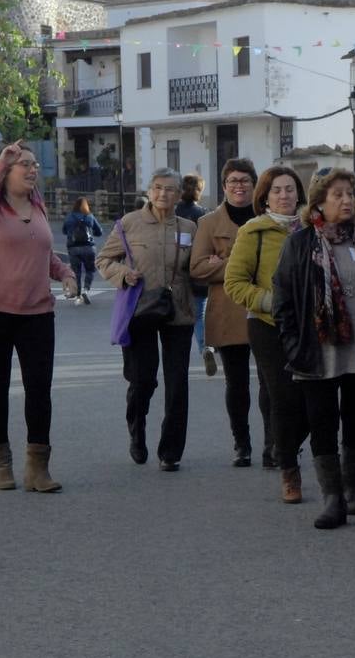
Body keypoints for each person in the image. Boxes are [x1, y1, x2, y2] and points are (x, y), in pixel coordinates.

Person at [272, 169, 355, 529]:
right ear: (318, 203)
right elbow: (282, 299)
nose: (346, 201)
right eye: (337, 195)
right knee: (322, 421)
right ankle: (332, 498)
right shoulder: (300, 243)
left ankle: (351, 489)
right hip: (319, 351)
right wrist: (292, 345)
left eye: (350, 194)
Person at [0, 140, 78, 492]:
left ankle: (37, 468)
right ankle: (1, 461)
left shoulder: (39, 207)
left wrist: (66, 273)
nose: (31, 170)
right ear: (7, 172)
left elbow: (43, 254)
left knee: (39, 391)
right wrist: (1, 159)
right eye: (23, 165)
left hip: (38, 314)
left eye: (33, 164)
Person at [96, 167, 198, 471]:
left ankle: (170, 451)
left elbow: (198, 268)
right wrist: (122, 274)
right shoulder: (130, 223)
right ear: (149, 191)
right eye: (157, 187)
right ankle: (137, 429)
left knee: (177, 384)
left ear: (179, 195)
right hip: (140, 310)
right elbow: (104, 259)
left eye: (169, 189)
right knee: (143, 381)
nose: (163, 193)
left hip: (179, 311)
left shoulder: (190, 228)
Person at [225, 165, 311, 503]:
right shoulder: (254, 231)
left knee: (312, 400)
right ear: (265, 196)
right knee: (283, 397)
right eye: (277, 190)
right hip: (267, 325)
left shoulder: (313, 229)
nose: (284, 196)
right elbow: (235, 283)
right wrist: (270, 302)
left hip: (309, 326)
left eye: (290, 189)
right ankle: (289, 471)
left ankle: (285, 445)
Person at [190, 158, 273, 468]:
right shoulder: (209, 223)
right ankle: (242, 444)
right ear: (224, 186)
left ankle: (273, 445)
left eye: (245, 181)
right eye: (233, 181)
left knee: (271, 382)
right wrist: (242, 267)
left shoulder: (269, 218)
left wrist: (220, 262)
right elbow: (197, 268)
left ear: (255, 186)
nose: (239, 186)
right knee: (237, 384)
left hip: (266, 309)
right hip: (227, 311)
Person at [176, 174, 214, 374]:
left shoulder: (173, 213)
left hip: (177, 272)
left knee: (178, 317)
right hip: (199, 270)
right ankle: (205, 347)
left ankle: (176, 356)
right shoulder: (204, 214)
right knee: (199, 316)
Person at [63, 197, 103, 306]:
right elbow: (99, 231)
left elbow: (64, 230)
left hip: (73, 248)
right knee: (90, 270)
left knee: (77, 272)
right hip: (89, 248)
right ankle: (86, 289)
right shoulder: (90, 216)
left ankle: (78, 294)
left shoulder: (70, 217)